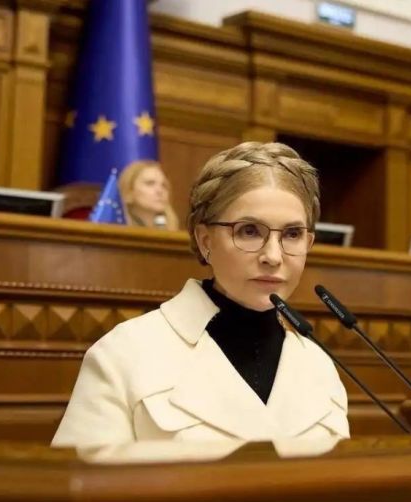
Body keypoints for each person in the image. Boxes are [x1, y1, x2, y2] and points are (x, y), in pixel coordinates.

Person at [52, 142, 349, 447]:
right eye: (249, 231)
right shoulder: (124, 353)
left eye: (292, 234)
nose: (273, 256)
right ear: (205, 240)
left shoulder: (319, 364)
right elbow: (76, 476)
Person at [119, 160, 180, 230]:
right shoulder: (116, 228)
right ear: (129, 192)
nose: (160, 191)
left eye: (164, 185)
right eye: (150, 183)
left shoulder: (173, 233)